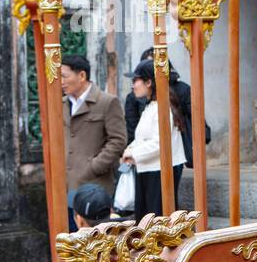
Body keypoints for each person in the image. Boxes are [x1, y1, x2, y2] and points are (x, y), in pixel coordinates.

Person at [60, 54, 127, 232]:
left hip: (94, 186)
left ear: (81, 75)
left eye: (65, 76)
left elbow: (118, 140)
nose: (61, 81)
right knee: (71, 240)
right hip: (67, 184)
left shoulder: (106, 102)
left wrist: (94, 166)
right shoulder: (61, 104)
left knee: (97, 241)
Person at [122, 59, 187, 219]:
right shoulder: (152, 105)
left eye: (135, 80)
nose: (133, 85)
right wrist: (129, 151)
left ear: (149, 82)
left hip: (159, 172)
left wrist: (132, 153)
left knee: (157, 222)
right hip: (149, 169)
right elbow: (143, 138)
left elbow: (160, 143)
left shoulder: (162, 107)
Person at [125, 47, 206, 169]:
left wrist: (133, 153)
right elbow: (133, 129)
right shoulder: (141, 99)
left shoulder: (175, 95)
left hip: (166, 161)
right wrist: (131, 150)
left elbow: (195, 120)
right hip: (145, 161)